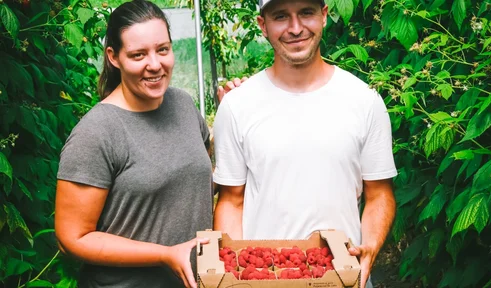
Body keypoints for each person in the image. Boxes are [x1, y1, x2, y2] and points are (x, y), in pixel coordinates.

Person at [212, 0, 397, 287]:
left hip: (344, 275)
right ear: (263, 25)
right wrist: (232, 270)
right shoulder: (237, 106)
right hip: (264, 278)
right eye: (281, 16)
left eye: (306, 13)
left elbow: (379, 194)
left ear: (324, 16)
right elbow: (231, 201)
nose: (295, 28)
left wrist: (370, 246)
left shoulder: (364, 101)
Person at [54, 1, 211, 287]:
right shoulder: (97, 132)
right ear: (114, 57)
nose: (155, 64)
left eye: (162, 49)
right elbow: (72, 237)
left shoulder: (184, 105)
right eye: (138, 55)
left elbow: (199, 179)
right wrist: (165, 254)